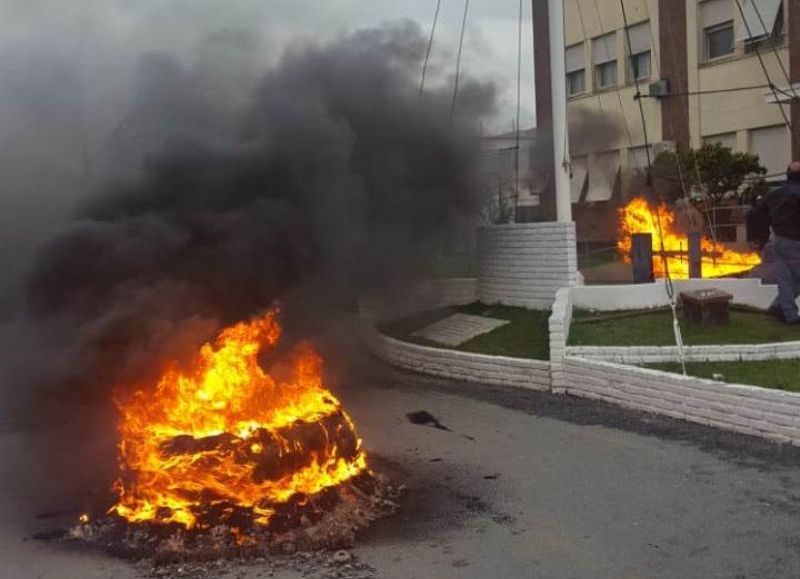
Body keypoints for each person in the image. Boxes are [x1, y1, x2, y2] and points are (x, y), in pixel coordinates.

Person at [750, 161, 800, 324]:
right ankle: (788, 314)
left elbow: (755, 212)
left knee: (785, 279)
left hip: (777, 242)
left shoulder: (775, 193)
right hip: (795, 243)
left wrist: (760, 236)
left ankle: (779, 308)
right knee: (791, 280)